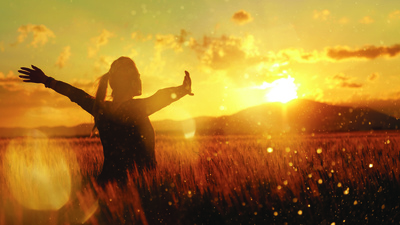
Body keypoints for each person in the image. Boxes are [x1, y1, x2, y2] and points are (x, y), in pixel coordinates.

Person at [18, 56, 193, 185]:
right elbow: (161, 96)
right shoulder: (136, 109)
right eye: (137, 75)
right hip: (140, 189)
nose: (140, 79)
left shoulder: (100, 109)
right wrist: (183, 89)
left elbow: (75, 94)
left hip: (107, 184)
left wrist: (47, 80)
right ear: (131, 81)